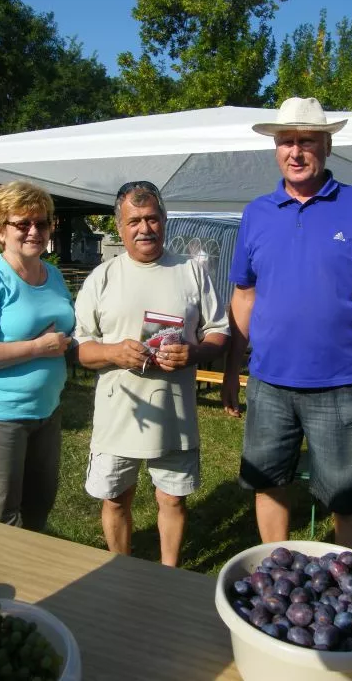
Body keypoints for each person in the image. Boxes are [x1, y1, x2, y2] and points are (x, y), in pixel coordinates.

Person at [222, 96, 352, 554]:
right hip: (269, 384)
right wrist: (233, 369)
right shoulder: (256, 213)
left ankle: (350, 586)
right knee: (268, 484)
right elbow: (244, 296)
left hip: (341, 385)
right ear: (276, 148)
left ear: (327, 146)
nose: (296, 152)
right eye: (286, 141)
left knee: (346, 498)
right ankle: (275, 570)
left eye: (307, 141)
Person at [74, 181, 229, 566]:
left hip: (173, 414)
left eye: (152, 219)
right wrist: (113, 352)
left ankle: (168, 573)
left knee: (172, 499)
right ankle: (120, 569)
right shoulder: (102, 277)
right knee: (115, 499)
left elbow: (219, 331)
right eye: (134, 221)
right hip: (117, 416)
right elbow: (80, 348)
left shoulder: (191, 272)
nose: (144, 228)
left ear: (164, 220)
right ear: (120, 227)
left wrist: (195, 352)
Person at [0, 180, 74, 531]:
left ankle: (33, 570)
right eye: (23, 223)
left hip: (46, 411)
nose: (34, 231)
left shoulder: (53, 275)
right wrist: (37, 347)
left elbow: (66, 330)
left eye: (42, 222)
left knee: (39, 507)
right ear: (1, 231)